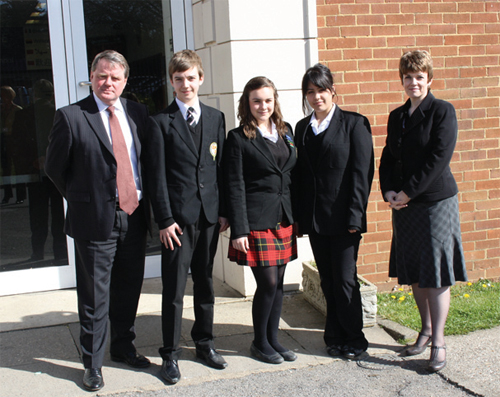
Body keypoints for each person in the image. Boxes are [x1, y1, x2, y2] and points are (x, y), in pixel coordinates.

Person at [45, 50, 151, 391]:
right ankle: (92, 363)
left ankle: (123, 347)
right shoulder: (72, 116)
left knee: (129, 288)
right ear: (91, 77)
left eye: (115, 77)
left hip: (133, 217)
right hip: (94, 221)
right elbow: (54, 168)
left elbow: (143, 161)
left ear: (124, 81)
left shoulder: (137, 113)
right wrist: (81, 199)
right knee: (94, 296)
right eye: (102, 76)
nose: (108, 83)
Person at [143, 49, 228, 384]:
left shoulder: (215, 118)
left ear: (201, 79)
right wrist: (164, 220)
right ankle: (170, 354)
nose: (185, 84)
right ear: (171, 82)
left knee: (206, 284)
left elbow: (219, 170)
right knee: (175, 290)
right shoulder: (159, 123)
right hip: (176, 223)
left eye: (190, 77)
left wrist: (223, 212)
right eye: (178, 79)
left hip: (207, 217)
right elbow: (156, 176)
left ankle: (204, 343)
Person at [379, 50, 467, 372]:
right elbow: (388, 158)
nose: (413, 82)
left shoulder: (442, 111)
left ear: (429, 79)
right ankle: (425, 331)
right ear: (401, 79)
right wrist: (388, 190)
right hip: (403, 205)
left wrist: (407, 192)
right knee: (415, 270)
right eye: (407, 77)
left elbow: (438, 158)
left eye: (419, 77)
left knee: (436, 272)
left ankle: (439, 341)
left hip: (434, 203)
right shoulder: (396, 115)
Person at [294, 63, 374, 359]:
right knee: (327, 279)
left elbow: (361, 174)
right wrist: (301, 219)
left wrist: (355, 216)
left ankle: (355, 338)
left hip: (344, 220)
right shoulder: (302, 128)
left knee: (344, 280)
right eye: (311, 92)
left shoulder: (354, 124)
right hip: (315, 221)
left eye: (322, 90)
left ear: (333, 91)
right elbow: (301, 177)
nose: (317, 97)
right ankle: (334, 335)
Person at [223, 77, 298, 365]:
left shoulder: (286, 131)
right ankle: (259, 342)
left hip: (283, 218)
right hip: (255, 221)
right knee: (267, 283)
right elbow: (235, 185)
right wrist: (239, 229)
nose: (263, 106)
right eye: (257, 100)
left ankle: (274, 339)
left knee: (278, 283)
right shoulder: (239, 137)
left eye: (268, 100)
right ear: (248, 103)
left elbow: (290, 174)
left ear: (274, 101)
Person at [12, 79, 67, 262]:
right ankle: (61, 254)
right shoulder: (59, 113)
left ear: (33, 94)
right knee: (60, 214)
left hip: (35, 171)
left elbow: (17, 145)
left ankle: (37, 253)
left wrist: (33, 162)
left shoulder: (24, 115)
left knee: (37, 216)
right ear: (52, 94)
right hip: (58, 173)